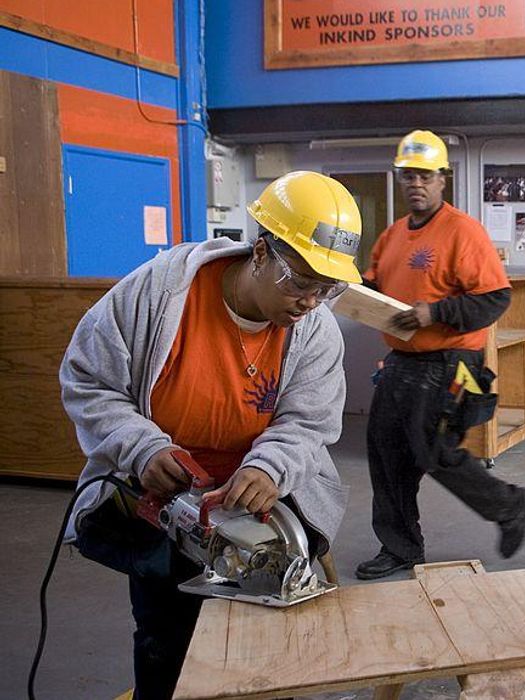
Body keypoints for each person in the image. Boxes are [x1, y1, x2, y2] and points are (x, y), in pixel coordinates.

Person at [62, 170, 362, 699]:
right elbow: (89, 380)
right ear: (262, 252)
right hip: (166, 497)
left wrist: (270, 467)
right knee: (166, 641)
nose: (311, 301)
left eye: (327, 288)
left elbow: (309, 420)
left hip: (259, 505)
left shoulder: (315, 330)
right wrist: (141, 448)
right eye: (300, 281)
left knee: (269, 651)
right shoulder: (159, 294)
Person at [355, 129, 525, 581]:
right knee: (386, 454)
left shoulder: (462, 231)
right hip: (401, 363)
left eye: (425, 175)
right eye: (408, 175)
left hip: (451, 364)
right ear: (400, 179)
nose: (416, 183)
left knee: (434, 450)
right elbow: (373, 285)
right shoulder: (392, 236)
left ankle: (510, 505)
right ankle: (399, 547)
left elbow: (494, 299)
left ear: (441, 179)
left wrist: (434, 312)